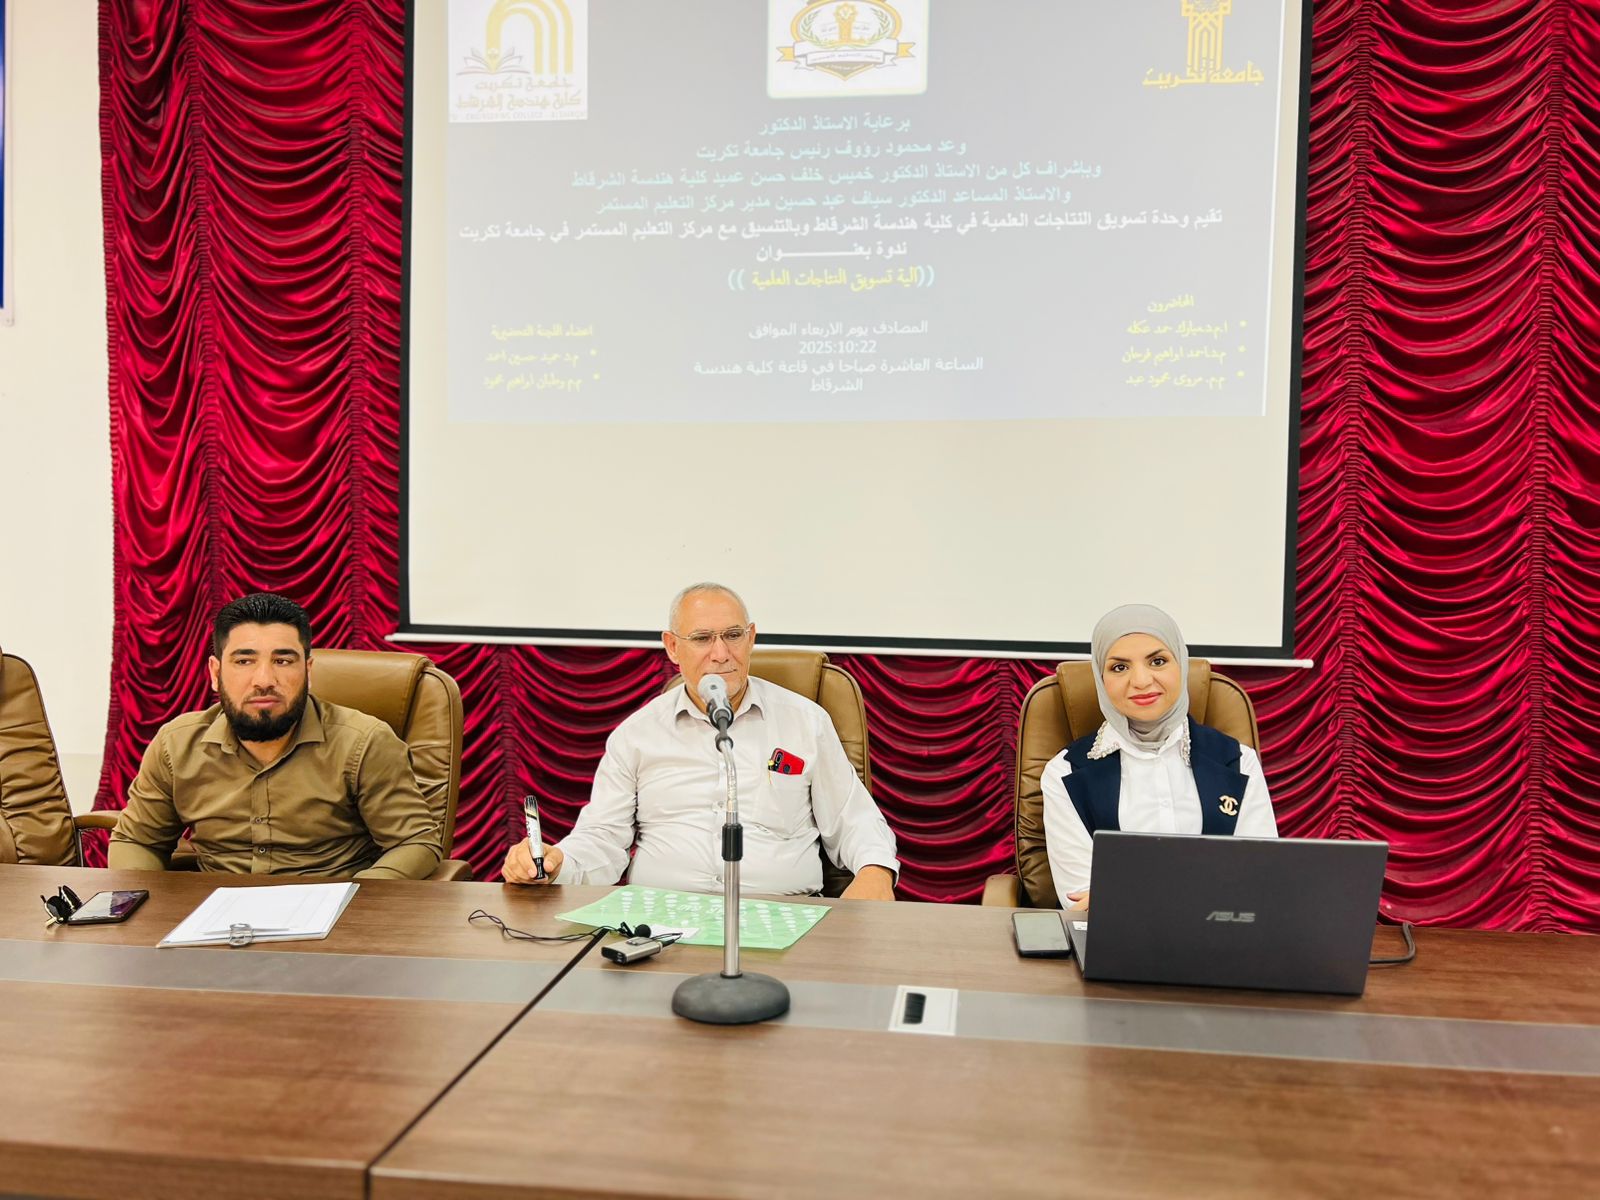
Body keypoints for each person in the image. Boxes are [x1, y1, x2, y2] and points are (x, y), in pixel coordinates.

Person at [503, 583, 899, 899]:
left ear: (751, 638)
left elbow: (854, 820)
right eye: (702, 638)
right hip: (661, 922)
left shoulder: (805, 722)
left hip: (782, 915)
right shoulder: (638, 734)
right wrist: (556, 863)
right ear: (673, 647)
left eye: (733, 635)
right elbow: (602, 839)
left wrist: (875, 872)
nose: (721, 653)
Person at [109, 592, 443, 879]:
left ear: (307, 671)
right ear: (215, 672)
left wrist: (360, 897)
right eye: (244, 661)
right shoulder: (176, 744)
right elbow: (137, 841)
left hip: (331, 914)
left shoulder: (364, 742)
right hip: (214, 916)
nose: (264, 680)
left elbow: (415, 842)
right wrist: (147, 904)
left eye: (283, 660)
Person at [1041, 603, 1277, 909]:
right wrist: (1208, 889)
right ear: (1100, 677)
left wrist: (1122, 894)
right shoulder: (1065, 774)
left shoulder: (1238, 762)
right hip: (1117, 937)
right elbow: (1081, 899)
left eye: (1157, 661)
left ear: (1181, 664)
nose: (1141, 681)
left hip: (1222, 935)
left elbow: (1259, 880)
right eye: (1119, 667)